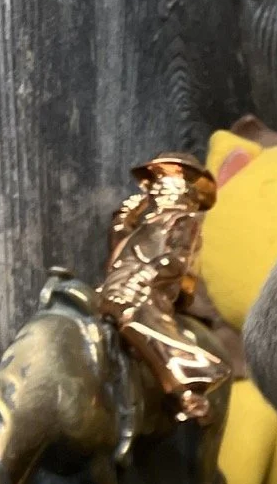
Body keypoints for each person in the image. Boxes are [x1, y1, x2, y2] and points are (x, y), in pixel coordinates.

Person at [97, 153, 230, 423]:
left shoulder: (183, 221)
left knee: (133, 317)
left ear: (183, 190)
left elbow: (176, 260)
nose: (155, 188)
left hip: (147, 290)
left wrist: (144, 275)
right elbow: (121, 255)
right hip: (118, 284)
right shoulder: (149, 223)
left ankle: (189, 389)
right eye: (155, 183)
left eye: (163, 182)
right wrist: (122, 224)